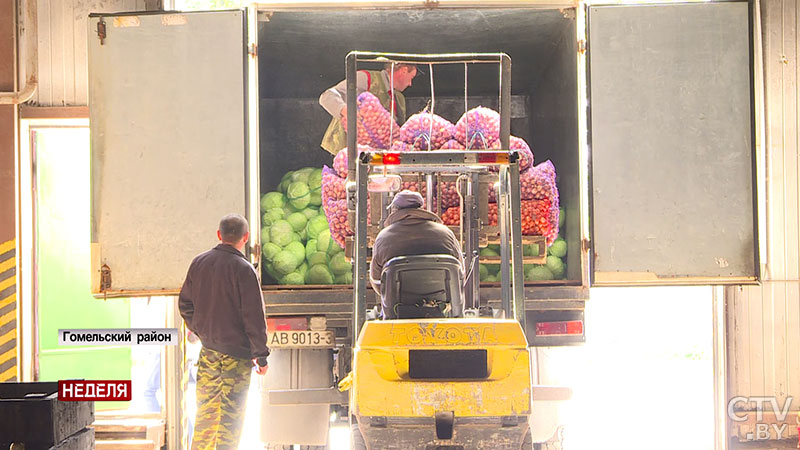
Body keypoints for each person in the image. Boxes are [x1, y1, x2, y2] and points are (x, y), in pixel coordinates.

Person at [178, 213, 269, 450]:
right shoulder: (244, 270)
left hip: (208, 354)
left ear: (219, 235)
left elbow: (185, 305)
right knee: (230, 419)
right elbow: (254, 318)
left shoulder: (199, 263)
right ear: (246, 238)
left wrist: (201, 330)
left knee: (206, 415)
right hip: (236, 359)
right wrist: (261, 355)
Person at [370, 190, 464, 315]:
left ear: (395, 209)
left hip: (398, 311)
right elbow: (460, 273)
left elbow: (377, 281)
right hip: (443, 310)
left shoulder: (384, 237)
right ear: (421, 208)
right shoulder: (446, 233)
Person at [319, 62, 417, 154]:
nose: (410, 84)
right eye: (411, 77)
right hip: (346, 154)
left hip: (376, 159)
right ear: (403, 71)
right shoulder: (366, 78)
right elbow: (327, 95)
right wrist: (345, 110)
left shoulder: (399, 99)